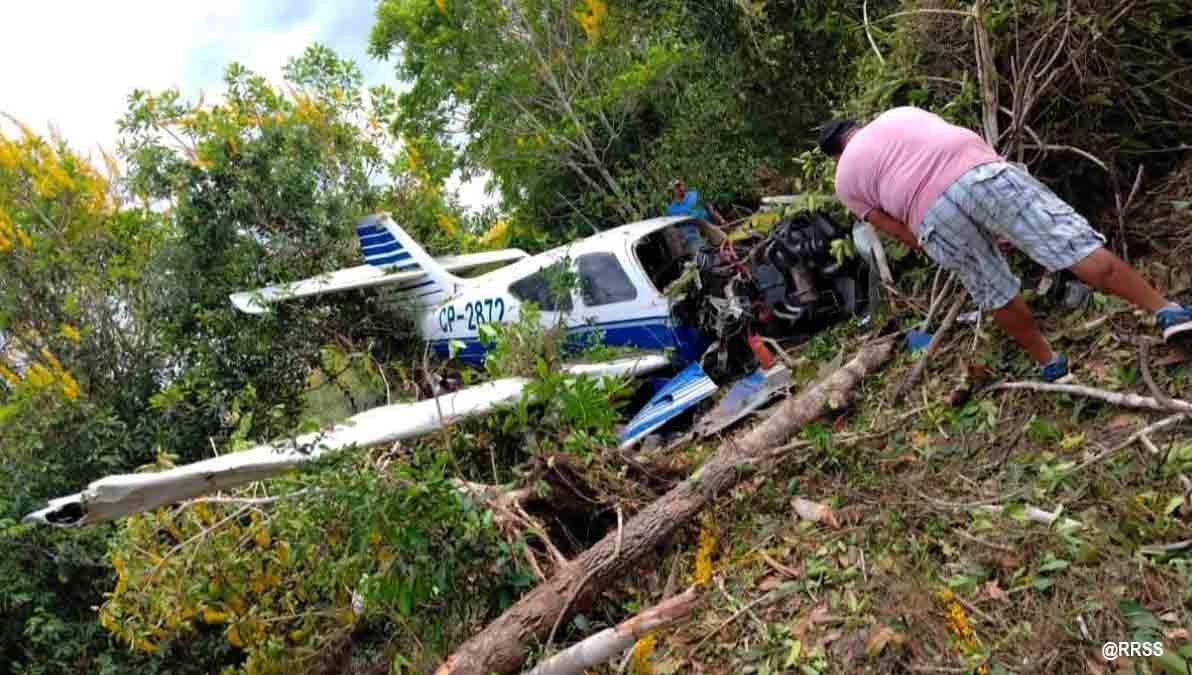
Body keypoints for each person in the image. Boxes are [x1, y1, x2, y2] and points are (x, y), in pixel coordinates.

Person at [818, 107, 1192, 382]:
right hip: (978, 172)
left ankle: (1052, 366)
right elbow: (956, 136)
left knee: (993, 291)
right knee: (1070, 244)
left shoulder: (844, 180)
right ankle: (1167, 312)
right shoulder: (897, 115)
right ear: (857, 127)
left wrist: (940, 242)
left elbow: (897, 230)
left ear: (836, 155)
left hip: (929, 215)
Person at [666, 178, 727, 252]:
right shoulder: (672, 210)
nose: (680, 188)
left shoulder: (695, 195)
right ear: (672, 191)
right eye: (677, 187)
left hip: (711, 230)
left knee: (725, 245)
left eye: (680, 185)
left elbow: (710, 208)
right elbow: (676, 230)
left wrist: (721, 220)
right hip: (694, 240)